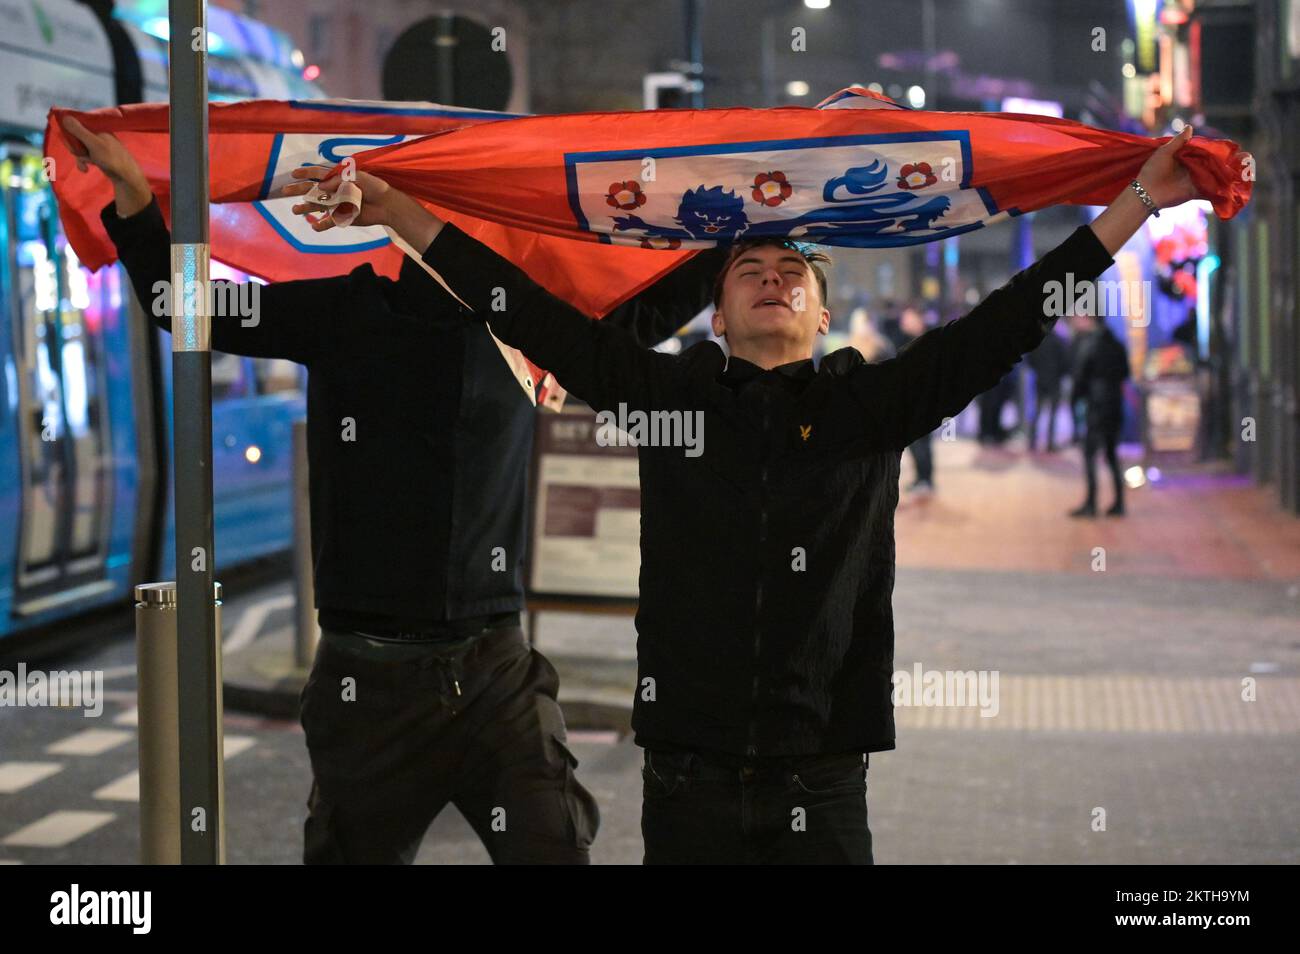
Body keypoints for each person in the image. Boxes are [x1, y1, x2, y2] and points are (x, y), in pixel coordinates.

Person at [297, 125, 1234, 864]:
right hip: (685, 782)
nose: (774, 278)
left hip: (821, 785)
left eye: (794, 274)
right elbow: (524, 311)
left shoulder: (872, 407)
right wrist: (399, 211)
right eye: (751, 269)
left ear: (824, 315)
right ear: (717, 309)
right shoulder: (670, 401)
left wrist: (1141, 202)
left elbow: (1013, 318)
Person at [61, 116, 724, 865]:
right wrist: (131, 193)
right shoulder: (343, 308)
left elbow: (649, 315)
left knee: (551, 848)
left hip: (494, 669)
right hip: (365, 678)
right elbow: (186, 306)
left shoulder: (519, 321)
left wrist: (776, 198)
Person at [1068, 312, 1132, 517]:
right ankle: (1119, 503)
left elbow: (1080, 377)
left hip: (1096, 406)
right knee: (1112, 455)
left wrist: (1075, 401)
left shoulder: (1088, 345)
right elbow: (1125, 372)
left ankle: (1091, 503)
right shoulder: (1116, 343)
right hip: (1114, 404)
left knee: (1090, 454)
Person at [884, 304, 936, 493]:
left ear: (918, 320)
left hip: (922, 398)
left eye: (908, 318)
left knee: (920, 441)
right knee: (916, 442)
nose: (904, 322)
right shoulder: (902, 340)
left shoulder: (925, 341)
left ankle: (925, 479)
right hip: (911, 397)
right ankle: (923, 478)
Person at [1026, 326, 1069, 452]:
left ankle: (1032, 441)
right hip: (1054, 381)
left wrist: (1039, 371)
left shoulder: (1038, 341)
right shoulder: (1059, 342)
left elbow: (1031, 360)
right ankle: (1050, 443)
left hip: (1040, 380)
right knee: (1052, 414)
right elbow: (1065, 363)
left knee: (1037, 412)